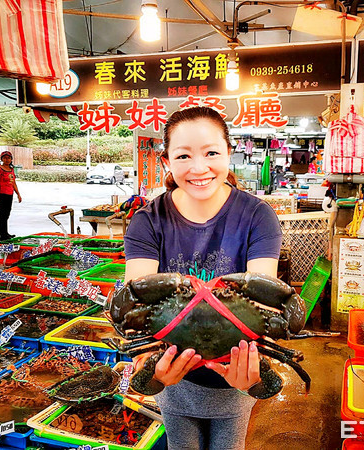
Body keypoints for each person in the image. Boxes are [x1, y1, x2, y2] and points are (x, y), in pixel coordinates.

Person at [123, 106, 282, 450]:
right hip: (171, 371)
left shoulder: (257, 216)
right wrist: (148, 369)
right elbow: (132, 306)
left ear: (230, 153)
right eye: (183, 156)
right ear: (166, 161)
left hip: (237, 371)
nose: (199, 168)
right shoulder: (147, 221)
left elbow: (264, 300)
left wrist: (253, 368)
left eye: (211, 153)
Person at [0, 150, 21, 242]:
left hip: (9, 195)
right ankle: (2, 236)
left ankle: (6, 233)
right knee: (2, 216)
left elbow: (13, 183)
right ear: (2, 159)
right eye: (5, 158)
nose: (7, 160)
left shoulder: (11, 169)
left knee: (7, 215)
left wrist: (18, 194)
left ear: (11, 159)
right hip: (1, 195)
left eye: (8, 158)